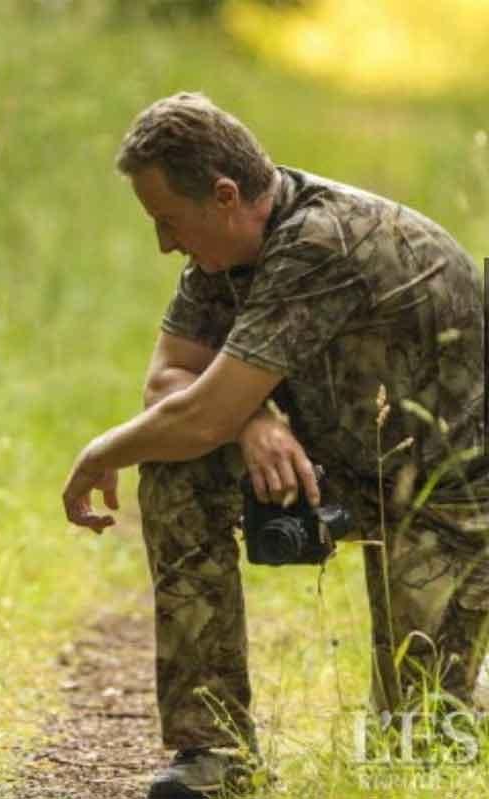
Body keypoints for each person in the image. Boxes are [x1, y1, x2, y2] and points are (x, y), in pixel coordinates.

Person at [61, 92, 488, 799]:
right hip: (343, 467)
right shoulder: (223, 255)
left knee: (420, 748)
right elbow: (170, 381)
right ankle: (216, 751)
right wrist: (253, 416)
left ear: (225, 195)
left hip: (445, 501)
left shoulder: (323, 241)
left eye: (168, 221)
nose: (165, 243)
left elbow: (198, 411)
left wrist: (101, 451)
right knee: (176, 468)